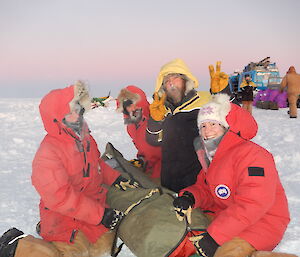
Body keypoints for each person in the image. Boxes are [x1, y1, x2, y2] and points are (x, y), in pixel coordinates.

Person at [0, 81, 138, 257]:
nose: (78, 113)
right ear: (58, 116)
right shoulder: (48, 153)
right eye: (72, 110)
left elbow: (98, 165)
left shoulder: (85, 138)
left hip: (91, 209)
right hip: (65, 217)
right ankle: (17, 245)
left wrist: (116, 178)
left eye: (78, 108)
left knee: (104, 250)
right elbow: (59, 198)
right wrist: (101, 215)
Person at [172, 94, 291, 257]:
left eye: (213, 124)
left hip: (263, 222)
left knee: (224, 253)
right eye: (203, 126)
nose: (207, 131)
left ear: (226, 126)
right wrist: (190, 197)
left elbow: (253, 203)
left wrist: (215, 237)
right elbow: (206, 188)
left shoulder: (253, 155)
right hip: (229, 217)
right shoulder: (213, 156)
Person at [146, 58, 234, 193]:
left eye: (175, 77)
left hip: (201, 186)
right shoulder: (162, 109)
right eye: (166, 80)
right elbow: (154, 140)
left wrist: (223, 94)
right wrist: (155, 121)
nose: (170, 82)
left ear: (186, 79)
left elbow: (234, 123)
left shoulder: (205, 100)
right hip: (170, 183)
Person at [116, 85, 162, 180]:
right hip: (147, 166)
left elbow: (164, 152)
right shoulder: (131, 124)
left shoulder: (155, 121)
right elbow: (141, 146)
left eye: (132, 103)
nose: (131, 109)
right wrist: (141, 160)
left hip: (162, 170)